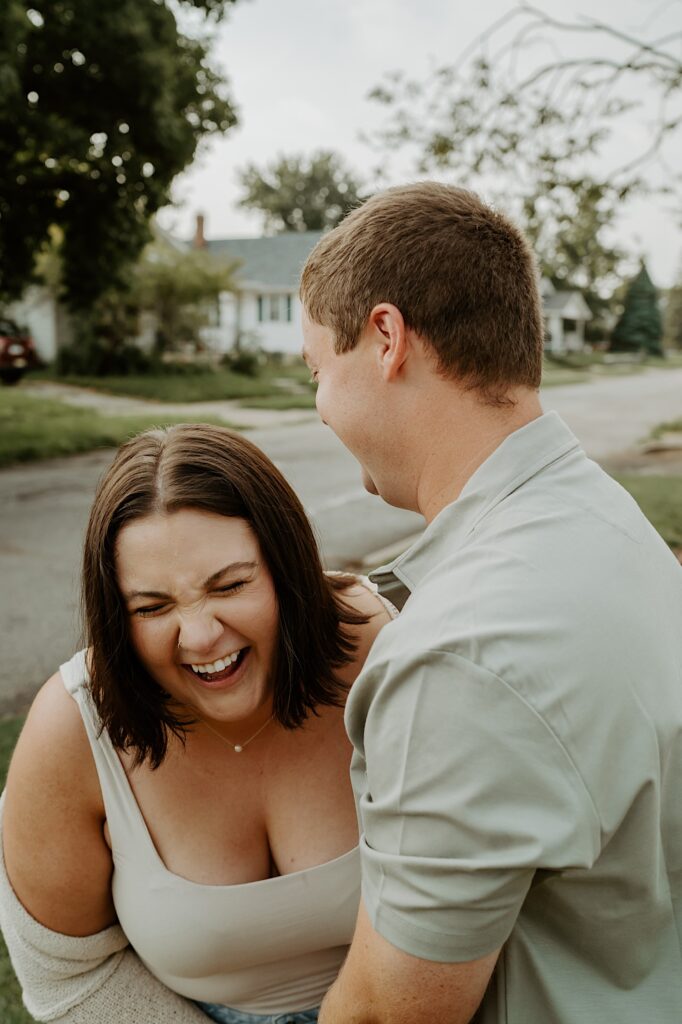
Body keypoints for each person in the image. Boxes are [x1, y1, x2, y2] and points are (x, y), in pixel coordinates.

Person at [299, 181, 682, 1023]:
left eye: (318, 371)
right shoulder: (604, 517)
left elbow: (386, 1013)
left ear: (387, 338)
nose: (318, 406)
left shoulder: (459, 657)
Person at [0, 423, 395, 1024]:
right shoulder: (72, 728)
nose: (201, 635)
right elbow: (67, 979)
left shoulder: (386, 652)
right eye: (152, 607)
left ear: (285, 569)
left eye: (231, 585)